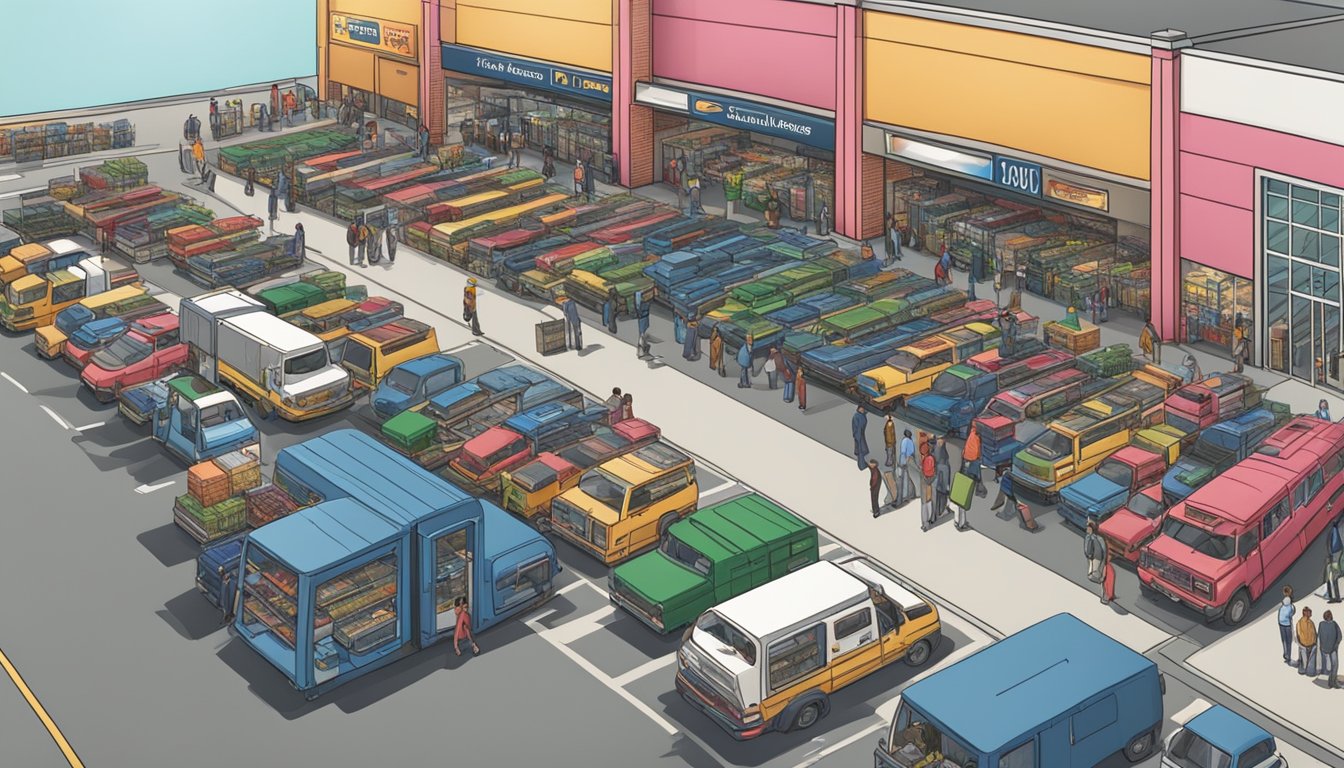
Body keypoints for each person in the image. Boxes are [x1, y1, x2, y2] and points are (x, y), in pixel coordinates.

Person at [961, 423, 986, 497]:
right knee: (975, 476)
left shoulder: (972, 433)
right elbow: (976, 449)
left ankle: (965, 490)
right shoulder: (976, 436)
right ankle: (978, 490)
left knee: (967, 474)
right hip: (973, 458)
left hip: (967, 457)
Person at [1319, 610, 1340, 688]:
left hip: (1325, 649)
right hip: (1331, 649)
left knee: (1332, 666)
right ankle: (1332, 682)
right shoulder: (1333, 624)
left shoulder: (1321, 624)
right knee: (1334, 666)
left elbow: (1320, 636)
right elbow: (1339, 636)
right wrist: (1335, 645)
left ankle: (1332, 682)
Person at [896, 429, 916, 507]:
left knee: (901, 479)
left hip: (904, 461)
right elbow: (912, 452)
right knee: (908, 478)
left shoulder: (904, 440)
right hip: (910, 461)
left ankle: (901, 498)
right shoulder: (911, 441)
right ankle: (909, 495)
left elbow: (903, 452)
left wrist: (901, 462)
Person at [920, 441, 936, 532]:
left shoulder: (927, 459)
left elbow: (926, 470)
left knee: (925, 503)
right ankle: (927, 522)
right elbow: (932, 470)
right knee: (928, 501)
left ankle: (925, 524)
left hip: (925, 480)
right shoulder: (930, 458)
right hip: (930, 479)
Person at [934, 439, 952, 522]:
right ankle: (942, 510)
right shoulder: (943, 449)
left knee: (940, 491)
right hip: (943, 468)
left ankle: (939, 511)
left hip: (939, 468)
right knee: (943, 491)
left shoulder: (936, 447)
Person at [1298, 606, 1318, 676]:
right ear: (1305, 613)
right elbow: (1298, 634)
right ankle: (1303, 670)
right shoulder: (1300, 622)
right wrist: (1300, 644)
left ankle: (1307, 671)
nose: (1310, 613)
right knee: (1304, 660)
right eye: (1309, 612)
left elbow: (1314, 633)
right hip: (1304, 645)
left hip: (1311, 644)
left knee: (1308, 660)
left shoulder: (1311, 622)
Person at [1279, 586, 1296, 665]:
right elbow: (1292, 614)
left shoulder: (1282, 604)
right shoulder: (1291, 606)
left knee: (1284, 640)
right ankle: (1288, 656)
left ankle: (1285, 654)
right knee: (1289, 641)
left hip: (1281, 623)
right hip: (1287, 624)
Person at [1326, 522, 1343, 603]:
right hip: (1335, 555)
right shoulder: (1336, 532)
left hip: (1335, 556)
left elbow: (1334, 546)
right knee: (1333, 578)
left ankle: (1336, 597)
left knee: (1334, 578)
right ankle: (1335, 596)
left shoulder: (1334, 532)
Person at [852, 405, 870, 471]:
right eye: (861, 409)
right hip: (859, 435)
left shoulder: (861, 415)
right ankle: (862, 465)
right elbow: (857, 427)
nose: (862, 410)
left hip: (861, 434)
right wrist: (858, 437)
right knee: (860, 450)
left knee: (861, 450)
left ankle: (862, 464)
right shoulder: (857, 416)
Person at [635, 291, 651, 358]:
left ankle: (641, 351)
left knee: (642, 332)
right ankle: (641, 352)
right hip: (643, 310)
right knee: (642, 333)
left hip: (641, 309)